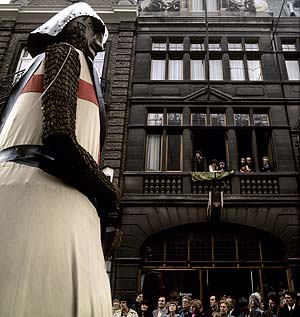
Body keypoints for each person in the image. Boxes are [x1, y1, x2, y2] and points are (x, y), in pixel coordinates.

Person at [0, 2, 119, 316]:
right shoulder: (66, 54)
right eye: (96, 31)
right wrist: (106, 190)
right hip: (43, 193)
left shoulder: (47, 63)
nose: (99, 43)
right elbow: (60, 136)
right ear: (76, 24)